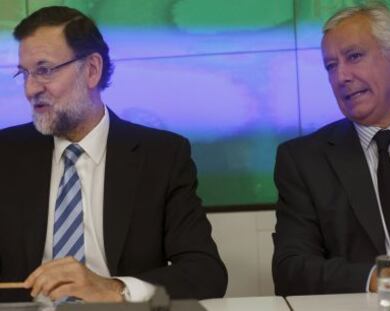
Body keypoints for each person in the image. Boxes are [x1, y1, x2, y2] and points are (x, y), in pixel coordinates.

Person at [0, 6, 227, 303]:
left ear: (92, 70)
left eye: (44, 70)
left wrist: (113, 289)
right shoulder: (6, 154)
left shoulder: (162, 156)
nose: (30, 89)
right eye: (24, 73)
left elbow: (206, 273)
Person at [272, 3, 390, 295]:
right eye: (331, 66)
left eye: (354, 56)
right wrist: (380, 278)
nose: (341, 77)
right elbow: (291, 269)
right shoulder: (304, 161)